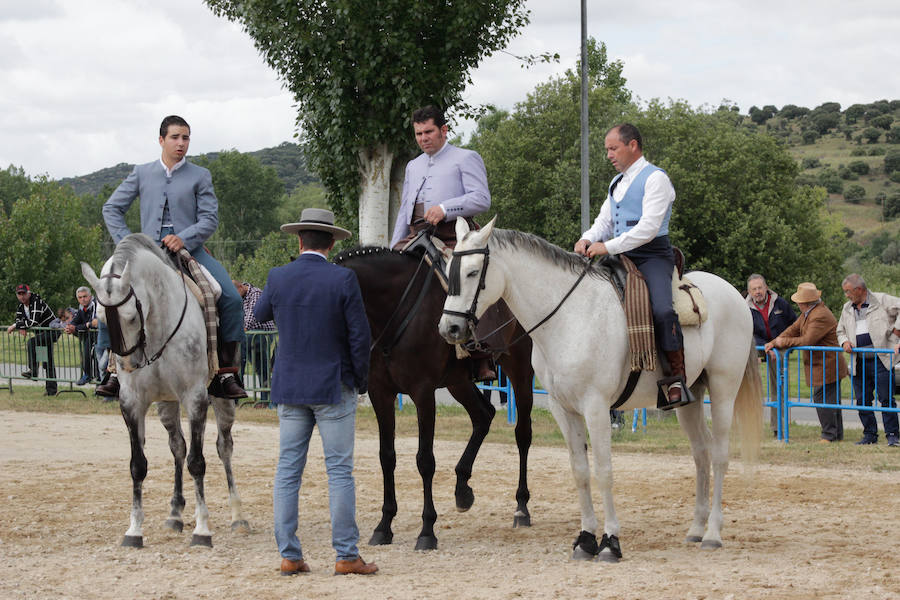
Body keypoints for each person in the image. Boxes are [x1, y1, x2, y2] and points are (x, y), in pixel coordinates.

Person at [254, 208, 377, 577]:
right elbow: (360, 335)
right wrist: (361, 379)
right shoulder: (344, 279)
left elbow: (259, 314)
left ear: (299, 240)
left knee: (288, 470)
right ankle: (345, 555)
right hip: (333, 384)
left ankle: (290, 554)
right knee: (339, 471)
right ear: (332, 242)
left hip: (289, 384)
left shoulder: (278, 276)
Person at [101, 115, 246, 399]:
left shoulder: (200, 175)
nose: (181, 143)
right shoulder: (142, 173)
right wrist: (130, 243)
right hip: (145, 255)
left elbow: (209, 219)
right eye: (175, 137)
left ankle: (225, 372)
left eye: (186, 138)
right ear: (161, 140)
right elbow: (111, 209)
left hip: (190, 252)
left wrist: (185, 237)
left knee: (230, 297)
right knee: (110, 296)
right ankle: (113, 372)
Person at [574, 123, 687, 408]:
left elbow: (648, 228)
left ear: (633, 145)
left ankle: (676, 382)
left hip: (653, 256)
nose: (609, 155)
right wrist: (587, 238)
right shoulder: (617, 182)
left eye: (613, 149)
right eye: (607, 150)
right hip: (619, 256)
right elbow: (604, 221)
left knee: (662, 310)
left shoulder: (655, 179)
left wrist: (607, 246)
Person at [389, 104, 497, 382]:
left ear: (444, 130)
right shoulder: (413, 165)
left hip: (453, 234)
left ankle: (478, 351)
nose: (423, 138)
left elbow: (482, 199)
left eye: (428, 132)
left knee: (459, 281)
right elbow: (404, 210)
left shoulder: (466, 157)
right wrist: (392, 248)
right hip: (416, 234)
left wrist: (446, 208)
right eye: (418, 134)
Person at [765, 282, 847, 443]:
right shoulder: (809, 313)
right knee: (829, 399)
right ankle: (835, 434)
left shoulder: (819, 315)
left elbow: (807, 340)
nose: (798, 304)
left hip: (827, 364)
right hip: (823, 364)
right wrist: (775, 341)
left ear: (805, 303)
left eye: (799, 301)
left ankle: (829, 435)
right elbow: (793, 329)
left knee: (824, 399)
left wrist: (783, 343)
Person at [836, 274, 900, 447]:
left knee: (886, 398)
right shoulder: (846, 308)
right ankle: (870, 435)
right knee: (862, 400)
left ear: (859, 290)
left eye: (848, 292)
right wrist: (844, 341)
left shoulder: (882, 300)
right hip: (859, 361)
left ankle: (893, 435)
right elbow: (840, 330)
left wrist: (897, 331)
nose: (846, 295)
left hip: (881, 358)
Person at [746, 274, 798, 435]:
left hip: (780, 348)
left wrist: (779, 344)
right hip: (756, 347)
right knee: (749, 386)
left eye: (760, 288)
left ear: (766, 287)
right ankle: (750, 426)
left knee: (779, 387)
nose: (757, 292)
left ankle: (779, 427)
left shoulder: (780, 303)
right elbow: (747, 332)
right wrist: (765, 347)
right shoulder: (744, 307)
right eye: (754, 289)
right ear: (749, 291)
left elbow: (794, 325)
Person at [7, 284, 58, 395]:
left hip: (52, 331)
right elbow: (18, 318)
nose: (22, 296)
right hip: (42, 333)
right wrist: (21, 325)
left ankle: (33, 371)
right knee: (47, 361)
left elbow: (34, 321)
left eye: (24, 293)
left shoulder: (36, 302)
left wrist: (17, 325)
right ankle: (51, 390)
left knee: (32, 342)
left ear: (29, 293)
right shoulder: (21, 306)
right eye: (19, 294)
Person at [232, 280, 275, 405]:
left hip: (262, 333)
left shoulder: (255, 293)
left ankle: (264, 399)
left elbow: (252, 315)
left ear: (241, 287)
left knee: (261, 366)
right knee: (250, 364)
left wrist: (241, 330)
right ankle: (239, 394)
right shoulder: (242, 296)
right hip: (249, 334)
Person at [66, 286, 99, 385]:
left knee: (98, 357)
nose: (83, 299)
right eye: (80, 297)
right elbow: (76, 321)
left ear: (90, 296)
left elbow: (93, 323)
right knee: (86, 353)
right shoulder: (81, 307)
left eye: (85, 296)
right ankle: (87, 375)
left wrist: (76, 328)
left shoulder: (95, 304)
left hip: (101, 334)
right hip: (89, 335)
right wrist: (70, 327)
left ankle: (98, 379)